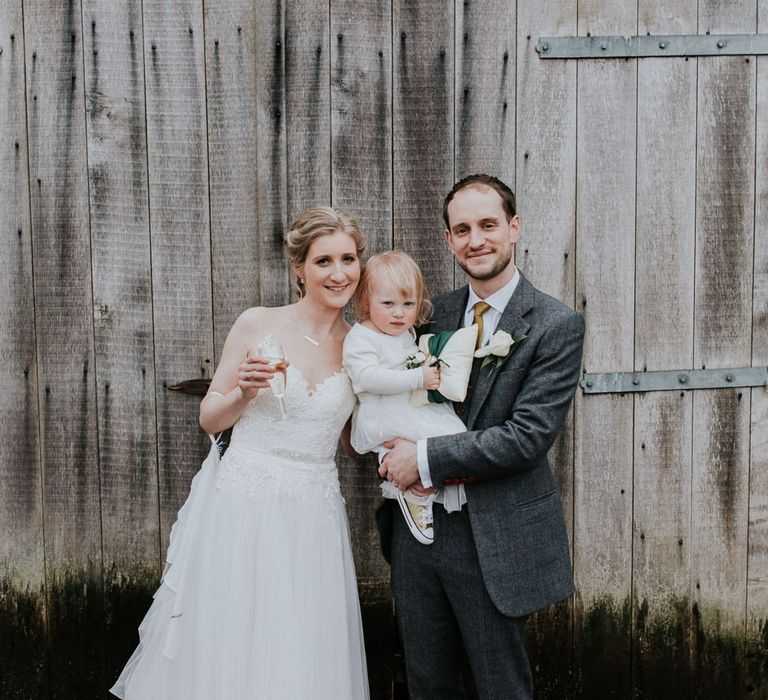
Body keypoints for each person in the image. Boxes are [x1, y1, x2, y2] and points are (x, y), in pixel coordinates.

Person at [111, 207, 370, 699]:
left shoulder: (361, 344)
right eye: (323, 261)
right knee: (234, 633)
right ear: (299, 269)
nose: (339, 273)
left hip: (313, 509)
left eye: (349, 259)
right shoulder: (258, 324)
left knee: (302, 638)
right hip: (244, 506)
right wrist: (243, 394)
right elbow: (209, 417)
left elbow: (353, 442)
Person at [379, 174, 585, 699]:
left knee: (501, 687)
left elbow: (526, 437)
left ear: (513, 228)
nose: (477, 240)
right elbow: (388, 388)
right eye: (462, 229)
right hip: (418, 533)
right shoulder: (427, 315)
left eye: (489, 225)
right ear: (448, 239)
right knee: (427, 683)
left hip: (493, 533)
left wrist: (422, 458)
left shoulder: (554, 325)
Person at [343, 251, 472, 544]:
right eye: (388, 304)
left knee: (456, 437)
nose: (398, 313)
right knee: (442, 440)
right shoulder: (361, 338)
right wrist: (418, 377)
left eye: (408, 304)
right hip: (382, 414)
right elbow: (367, 378)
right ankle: (416, 495)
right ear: (365, 302)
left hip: (405, 408)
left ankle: (423, 489)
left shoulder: (404, 333)